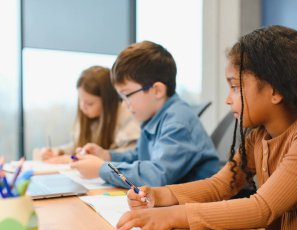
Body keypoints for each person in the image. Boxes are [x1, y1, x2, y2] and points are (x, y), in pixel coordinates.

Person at [116, 26, 297, 230]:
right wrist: (160, 196)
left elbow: (261, 208)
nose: (228, 99)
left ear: (275, 90)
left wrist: (172, 216)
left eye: (235, 87)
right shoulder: (257, 138)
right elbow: (220, 186)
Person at [70, 41, 220, 187]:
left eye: (127, 95)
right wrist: (107, 156)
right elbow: (138, 157)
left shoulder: (178, 121)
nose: (124, 104)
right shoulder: (154, 118)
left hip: (201, 206)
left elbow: (156, 175)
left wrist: (102, 169)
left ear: (157, 90)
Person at [37, 66, 140, 164]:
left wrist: (78, 159)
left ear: (107, 102)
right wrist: (59, 152)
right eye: (80, 100)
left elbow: (130, 156)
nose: (82, 107)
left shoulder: (129, 117)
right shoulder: (88, 117)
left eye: (89, 103)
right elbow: (76, 145)